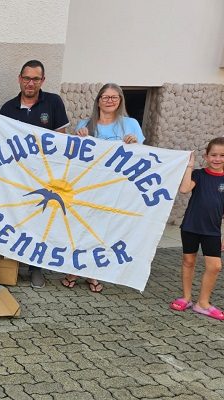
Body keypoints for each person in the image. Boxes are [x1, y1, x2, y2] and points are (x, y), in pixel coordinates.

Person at [0, 59, 70, 288]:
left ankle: (36, 268)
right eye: (26, 78)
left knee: (41, 221)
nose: (30, 83)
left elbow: (62, 140)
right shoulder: (8, 108)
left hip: (44, 177)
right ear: (19, 79)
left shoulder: (53, 103)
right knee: (16, 218)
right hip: (16, 177)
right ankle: (12, 265)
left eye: (35, 79)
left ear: (42, 80)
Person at [60, 83, 144, 293]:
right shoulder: (85, 124)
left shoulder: (131, 124)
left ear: (120, 100)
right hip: (87, 188)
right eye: (105, 97)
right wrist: (78, 138)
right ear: (98, 101)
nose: (109, 101)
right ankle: (74, 269)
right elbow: (75, 156)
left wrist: (135, 144)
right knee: (81, 229)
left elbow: (143, 156)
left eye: (114, 97)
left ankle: (93, 273)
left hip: (115, 189)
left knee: (103, 232)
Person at [170, 136, 224, 320]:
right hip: (190, 227)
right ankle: (186, 298)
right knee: (188, 261)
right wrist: (189, 166)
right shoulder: (198, 175)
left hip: (212, 231)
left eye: (222, 155)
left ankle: (203, 303)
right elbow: (184, 189)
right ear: (206, 156)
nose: (217, 159)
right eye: (213, 155)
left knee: (215, 266)